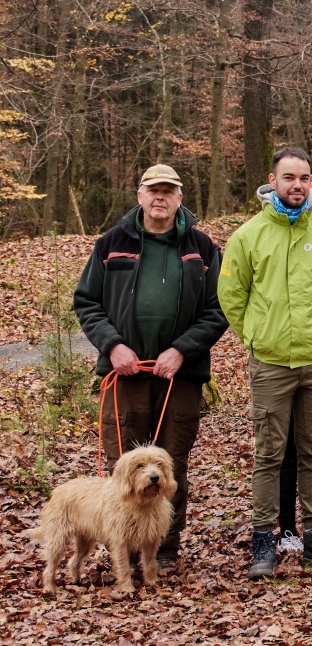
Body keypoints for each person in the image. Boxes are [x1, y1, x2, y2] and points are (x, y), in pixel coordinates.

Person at [73, 164, 226, 565]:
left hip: (180, 375)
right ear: (139, 195)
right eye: (152, 190)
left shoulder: (202, 247)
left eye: (168, 191)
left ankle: (164, 551)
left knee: (170, 462)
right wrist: (113, 347)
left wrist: (181, 350)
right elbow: (87, 301)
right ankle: (122, 549)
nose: (160, 197)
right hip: (125, 372)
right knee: (124, 465)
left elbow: (217, 309)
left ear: (179, 198)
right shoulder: (112, 242)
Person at [220, 146, 312, 579]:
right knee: (269, 455)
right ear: (273, 180)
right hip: (271, 364)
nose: (296, 185)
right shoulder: (249, 235)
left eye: (302, 178)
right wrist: (258, 336)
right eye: (288, 178)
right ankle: (265, 540)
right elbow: (231, 297)